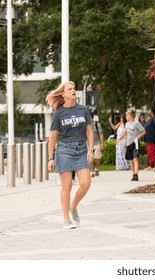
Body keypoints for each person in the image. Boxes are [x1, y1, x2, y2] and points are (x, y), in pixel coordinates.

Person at [46, 81, 93, 229]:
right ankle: (66, 219)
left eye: (74, 88)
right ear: (63, 94)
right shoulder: (58, 113)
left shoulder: (83, 110)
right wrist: (50, 158)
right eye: (70, 89)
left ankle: (74, 206)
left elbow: (89, 131)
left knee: (86, 183)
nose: (73, 90)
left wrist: (91, 149)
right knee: (67, 186)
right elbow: (53, 137)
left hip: (81, 149)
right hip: (64, 150)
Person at [117, 109, 145, 181]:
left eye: (127, 115)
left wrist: (137, 137)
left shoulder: (137, 123)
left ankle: (136, 174)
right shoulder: (127, 124)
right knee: (131, 160)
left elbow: (144, 131)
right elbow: (125, 133)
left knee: (135, 158)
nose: (126, 116)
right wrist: (120, 139)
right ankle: (133, 174)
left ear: (131, 115)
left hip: (135, 143)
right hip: (129, 144)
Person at [90, 112, 104, 177]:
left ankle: (97, 168)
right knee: (90, 158)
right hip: (89, 144)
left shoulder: (97, 125)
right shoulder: (85, 126)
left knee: (97, 158)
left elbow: (101, 134)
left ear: (92, 118)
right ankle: (92, 172)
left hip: (97, 143)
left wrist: (102, 144)